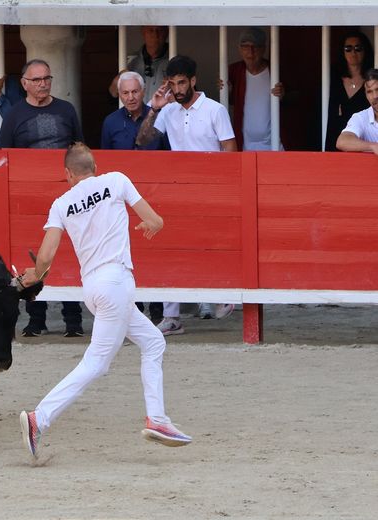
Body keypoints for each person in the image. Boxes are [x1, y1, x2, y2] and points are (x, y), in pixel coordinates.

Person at [18, 142, 192, 459]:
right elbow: (155, 220)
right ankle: (38, 418)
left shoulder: (62, 202)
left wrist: (35, 274)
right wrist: (150, 225)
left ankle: (159, 418)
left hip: (94, 289)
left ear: (68, 174)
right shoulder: (116, 180)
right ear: (94, 167)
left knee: (154, 342)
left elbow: (46, 255)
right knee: (96, 363)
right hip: (117, 283)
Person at [136, 55, 236, 335]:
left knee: (209, 245)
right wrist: (154, 109)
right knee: (174, 248)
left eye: (182, 83)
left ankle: (218, 297)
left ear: (193, 81)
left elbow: (229, 148)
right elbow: (142, 140)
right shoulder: (167, 111)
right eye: (172, 84)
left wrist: (224, 187)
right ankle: (172, 316)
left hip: (210, 188)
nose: (177, 89)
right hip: (177, 189)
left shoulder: (215, 110)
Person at [0, 58, 84, 337]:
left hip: (67, 191)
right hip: (30, 195)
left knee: (72, 250)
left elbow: (78, 150)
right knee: (35, 251)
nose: (43, 84)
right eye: (36, 80)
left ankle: (73, 320)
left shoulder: (66, 110)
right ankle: (37, 319)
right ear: (24, 84)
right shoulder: (14, 115)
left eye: (47, 78)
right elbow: (3, 156)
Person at [101, 70, 168, 324]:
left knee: (155, 249)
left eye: (135, 92)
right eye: (125, 93)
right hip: (122, 198)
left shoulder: (159, 115)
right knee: (126, 251)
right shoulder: (110, 122)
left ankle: (159, 312)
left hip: (152, 192)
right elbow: (106, 162)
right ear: (119, 95)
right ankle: (135, 309)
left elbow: (168, 154)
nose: (130, 97)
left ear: (143, 92)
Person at [219, 27, 284, 151]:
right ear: (239, 49)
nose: (251, 51)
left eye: (256, 46)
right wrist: (227, 91)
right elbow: (230, 102)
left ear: (264, 49)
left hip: (275, 144)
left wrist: (283, 95)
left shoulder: (276, 71)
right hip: (244, 144)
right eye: (245, 47)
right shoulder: (233, 71)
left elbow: (298, 97)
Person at [325, 30, 375, 152]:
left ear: (365, 51)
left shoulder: (372, 82)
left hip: (362, 141)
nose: (353, 52)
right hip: (335, 136)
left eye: (358, 48)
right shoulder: (332, 78)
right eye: (348, 48)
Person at [108, 26, 169, 105]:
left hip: (164, 115)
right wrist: (120, 77)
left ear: (167, 33)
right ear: (143, 32)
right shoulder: (130, 62)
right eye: (151, 30)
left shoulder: (174, 61)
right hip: (136, 116)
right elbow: (113, 93)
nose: (155, 34)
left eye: (160, 31)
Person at [336, 68, 378, 155]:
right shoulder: (361, 117)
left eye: (377, 89)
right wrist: (373, 146)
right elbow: (342, 142)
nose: (375, 96)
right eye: (369, 92)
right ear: (366, 95)